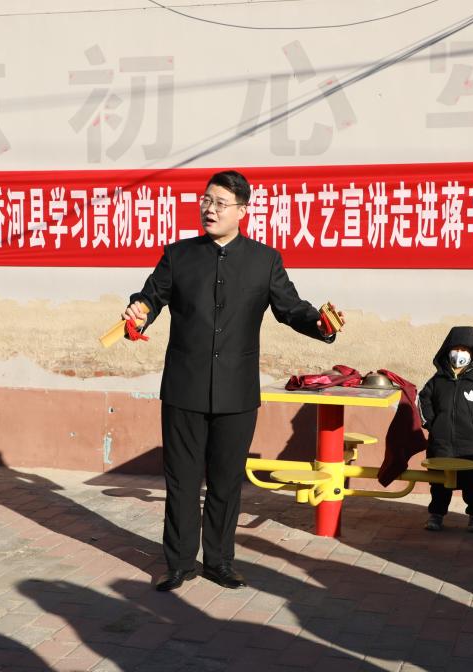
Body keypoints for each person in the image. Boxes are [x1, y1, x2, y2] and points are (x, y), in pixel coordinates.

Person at [123, 170, 342, 591]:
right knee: (182, 480)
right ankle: (179, 563)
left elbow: (291, 308)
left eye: (220, 203)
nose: (209, 209)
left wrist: (320, 324)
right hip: (184, 386)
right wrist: (138, 312)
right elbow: (150, 298)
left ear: (242, 211)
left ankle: (220, 561)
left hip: (237, 390)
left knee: (225, 481)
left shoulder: (264, 260)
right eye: (206, 200)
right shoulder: (178, 256)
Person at [417, 326, 473, 533]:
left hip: (472, 446)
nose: (459, 353)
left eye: (465, 349)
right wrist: (432, 424)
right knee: (439, 484)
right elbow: (423, 400)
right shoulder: (436, 380)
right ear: (447, 350)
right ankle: (436, 515)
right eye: (456, 348)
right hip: (441, 444)